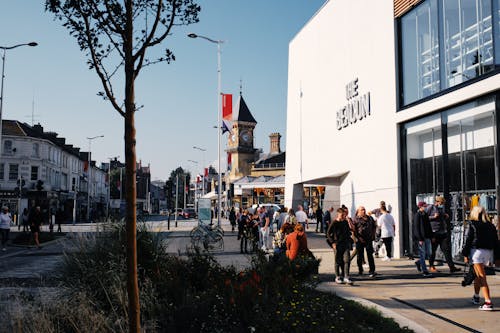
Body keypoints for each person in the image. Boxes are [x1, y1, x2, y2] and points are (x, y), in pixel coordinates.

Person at [462, 206, 498, 311]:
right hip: (488, 252)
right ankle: (476, 296)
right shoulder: (490, 225)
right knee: (478, 275)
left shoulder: (472, 224)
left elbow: (469, 240)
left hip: (476, 252)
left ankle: (488, 302)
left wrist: (465, 254)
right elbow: (496, 240)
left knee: (482, 276)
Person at [427, 196, 461, 273]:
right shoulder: (430, 207)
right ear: (437, 202)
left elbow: (441, 218)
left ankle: (452, 267)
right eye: (441, 203)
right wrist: (433, 217)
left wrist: (445, 216)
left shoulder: (441, 209)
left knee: (446, 250)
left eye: (442, 203)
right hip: (434, 233)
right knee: (433, 251)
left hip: (442, 232)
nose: (441, 204)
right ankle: (431, 266)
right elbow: (425, 218)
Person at [327, 208, 353, 284]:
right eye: (342, 215)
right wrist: (332, 243)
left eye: (344, 215)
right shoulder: (334, 223)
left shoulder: (345, 222)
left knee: (347, 260)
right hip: (337, 244)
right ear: (338, 214)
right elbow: (328, 233)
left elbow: (350, 230)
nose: (343, 217)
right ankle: (337, 276)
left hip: (345, 244)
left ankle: (346, 276)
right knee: (338, 261)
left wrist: (349, 221)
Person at [352, 206, 377, 277]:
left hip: (368, 239)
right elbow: (354, 230)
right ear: (358, 211)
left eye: (364, 209)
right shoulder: (356, 219)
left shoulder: (370, 218)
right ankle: (360, 270)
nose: (364, 211)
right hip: (359, 239)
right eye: (362, 210)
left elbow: (374, 226)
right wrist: (355, 239)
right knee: (360, 256)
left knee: (370, 255)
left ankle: (372, 270)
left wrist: (373, 235)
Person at [413, 202, 432, 277]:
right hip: (421, 238)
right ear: (420, 207)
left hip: (427, 237)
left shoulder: (425, 214)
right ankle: (425, 271)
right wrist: (420, 238)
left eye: (426, 206)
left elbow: (428, 226)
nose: (425, 207)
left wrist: (431, 235)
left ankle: (419, 262)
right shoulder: (417, 215)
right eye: (424, 206)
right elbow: (416, 228)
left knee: (429, 253)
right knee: (422, 254)